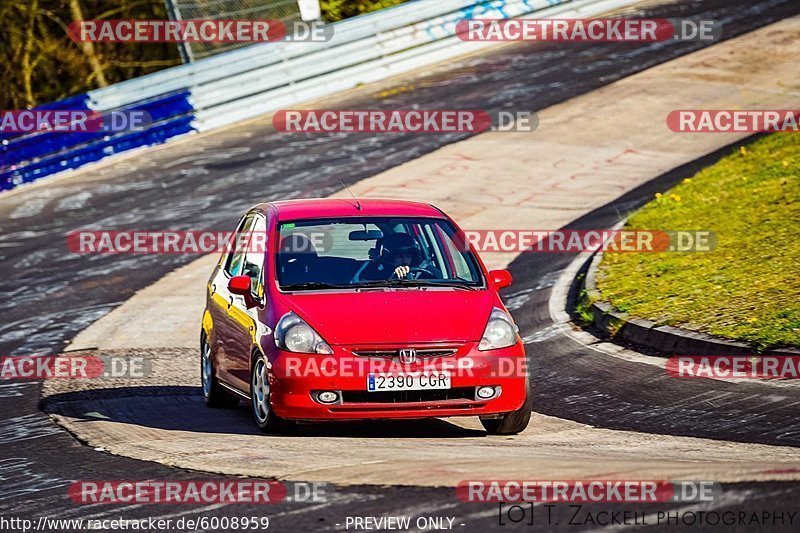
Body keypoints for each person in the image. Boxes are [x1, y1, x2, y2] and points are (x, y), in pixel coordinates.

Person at [358, 232, 439, 281]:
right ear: (391, 257)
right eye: (399, 256)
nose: (404, 260)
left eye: (408, 256)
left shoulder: (424, 272)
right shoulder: (378, 273)